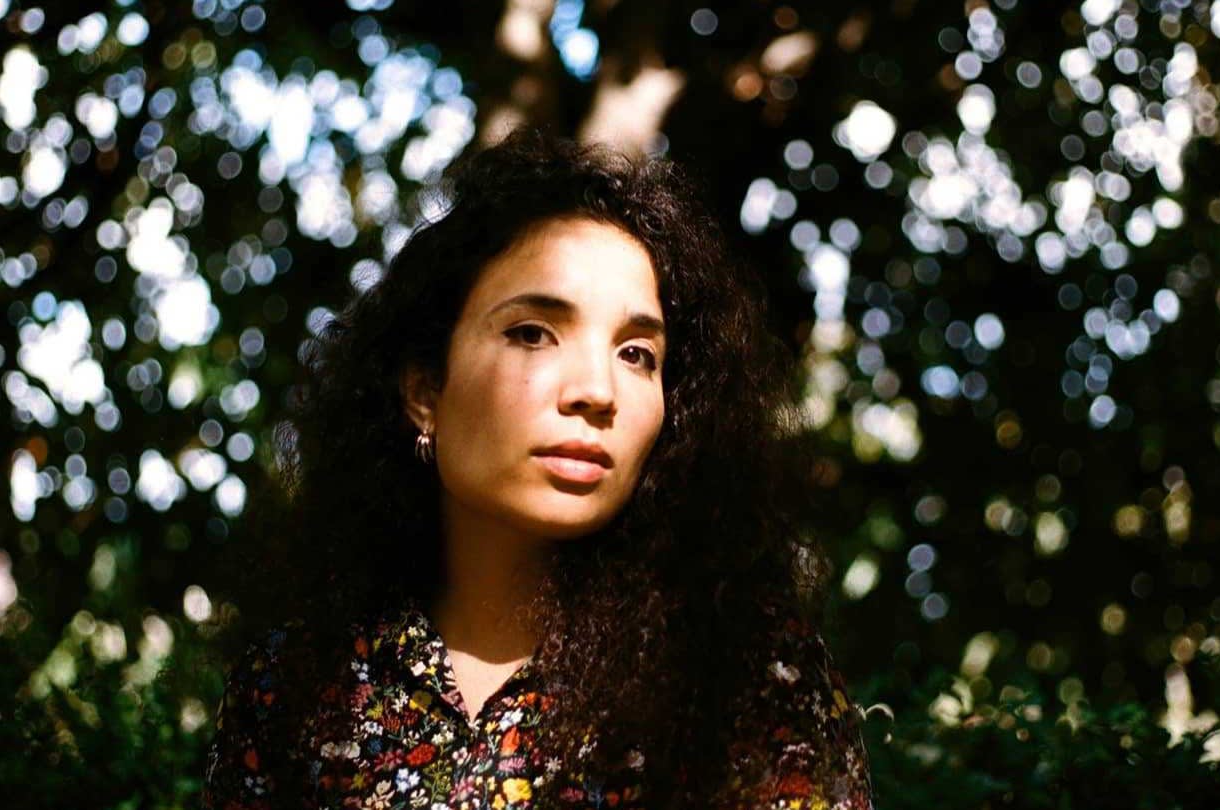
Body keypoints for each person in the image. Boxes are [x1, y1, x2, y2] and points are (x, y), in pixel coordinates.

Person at [202, 127, 874, 809]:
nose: (597, 391)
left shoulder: (748, 682)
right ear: (424, 392)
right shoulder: (289, 693)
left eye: (637, 353)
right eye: (532, 333)